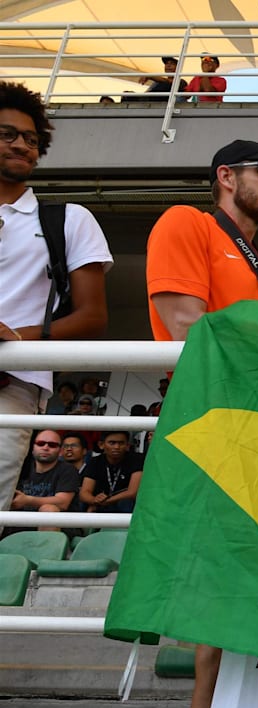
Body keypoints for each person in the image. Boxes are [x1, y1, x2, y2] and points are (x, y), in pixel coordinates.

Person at [145, 137, 258, 708]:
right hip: (209, 437)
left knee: (245, 601)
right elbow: (186, 327)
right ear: (225, 176)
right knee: (219, 601)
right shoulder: (185, 223)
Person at [0, 81, 112, 513]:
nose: (22, 145)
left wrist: (15, 337)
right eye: (8, 134)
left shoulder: (68, 219)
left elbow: (92, 317)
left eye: (31, 139)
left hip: (11, 383)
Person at [12, 430, 81, 530]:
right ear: (32, 448)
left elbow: (63, 502)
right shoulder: (21, 468)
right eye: (40, 444)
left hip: (60, 527)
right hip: (22, 523)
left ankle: (45, 546)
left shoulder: (68, 470)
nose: (45, 447)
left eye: (52, 445)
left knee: (49, 509)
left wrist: (27, 500)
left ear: (60, 451)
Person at [78, 430, 143, 514]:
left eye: (121, 443)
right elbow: (84, 493)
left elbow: (133, 493)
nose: (116, 447)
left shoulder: (136, 459)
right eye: (112, 443)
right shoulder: (95, 461)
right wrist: (94, 500)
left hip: (124, 506)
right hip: (100, 504)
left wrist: (107, 501)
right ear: (101, 445)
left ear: (127, 446)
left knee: (126, 503)